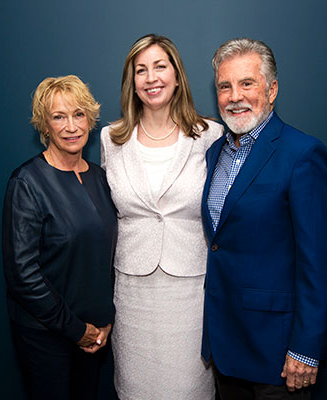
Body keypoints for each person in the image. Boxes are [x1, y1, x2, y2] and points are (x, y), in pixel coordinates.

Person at [201, 38, 327, 399]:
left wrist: (306, 348)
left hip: (278, 355)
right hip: (226, 348)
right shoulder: (215, 152)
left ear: (272, 89)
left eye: (247, 83)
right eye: (225, 86)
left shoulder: (302, 154)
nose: (235, 96)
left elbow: (319, 263)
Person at [100, 34, 223, 400]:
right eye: (141, 70)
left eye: (160, 66)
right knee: (135, 389)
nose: (151, 78)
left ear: (176, 75)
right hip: (133, 294)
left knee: (189, 389)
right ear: (131, 81)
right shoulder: (111, 139)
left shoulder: (209, 134)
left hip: (190, 292)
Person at [2, 75, 117, 400]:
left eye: (78, 114)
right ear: (45, 124)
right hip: (45, 336)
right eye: (59, 116)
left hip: (95, 334)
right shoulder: (27, 182)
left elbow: (106, 257)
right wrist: (76, 330)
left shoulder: (100, 178)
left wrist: (103, 321)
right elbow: (22, 276)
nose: (71, 126)